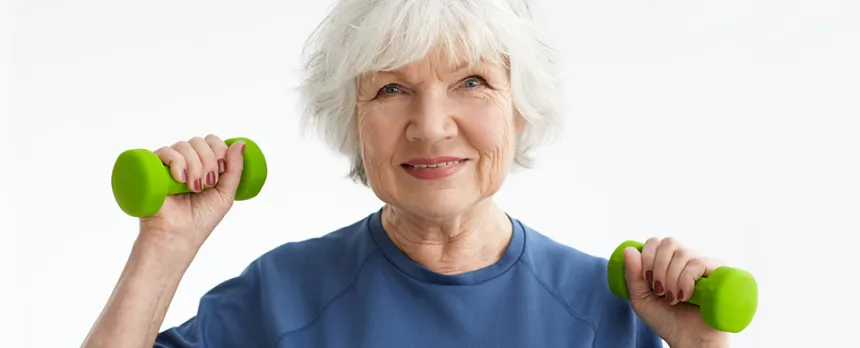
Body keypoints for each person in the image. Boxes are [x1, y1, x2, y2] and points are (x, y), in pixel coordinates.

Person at [82, 0, 733, 347]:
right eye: (392, 89)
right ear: (353, 120)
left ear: (520, 113)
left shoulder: (611, 309)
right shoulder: (280, 298)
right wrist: (163, 247)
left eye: (472, 82)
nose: (430, 124)